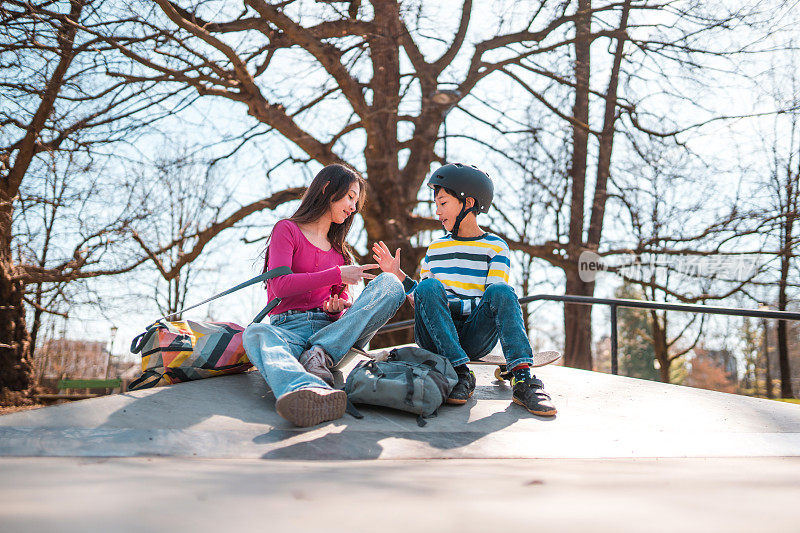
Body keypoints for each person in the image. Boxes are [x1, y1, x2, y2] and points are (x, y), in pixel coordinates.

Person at [371, 163, 557, 416]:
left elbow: (492, 300)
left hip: (474, 335)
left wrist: (453, 304)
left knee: (502, 291)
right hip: (435, 337)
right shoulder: (435, 248)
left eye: (443, 203)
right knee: (428, 286)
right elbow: (424, 299)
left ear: (468, 203)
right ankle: (460, 373)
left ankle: (523, 379)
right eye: (435, 205)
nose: (437, 212)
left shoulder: (496, 246)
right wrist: (399, 276)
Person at [243, 164, 406, 427]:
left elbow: (344, 311)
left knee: (389, 283)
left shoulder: (340, 254)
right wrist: (337, 275)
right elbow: (280, 285)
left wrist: (336, 310)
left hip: (334, 335)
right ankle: (306, 390)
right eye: (350, 197)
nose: (353, 207)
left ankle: (320, 354)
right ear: (329, 189)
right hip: (289, 331)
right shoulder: (287, 230)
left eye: (357, 202)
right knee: (255, 333)